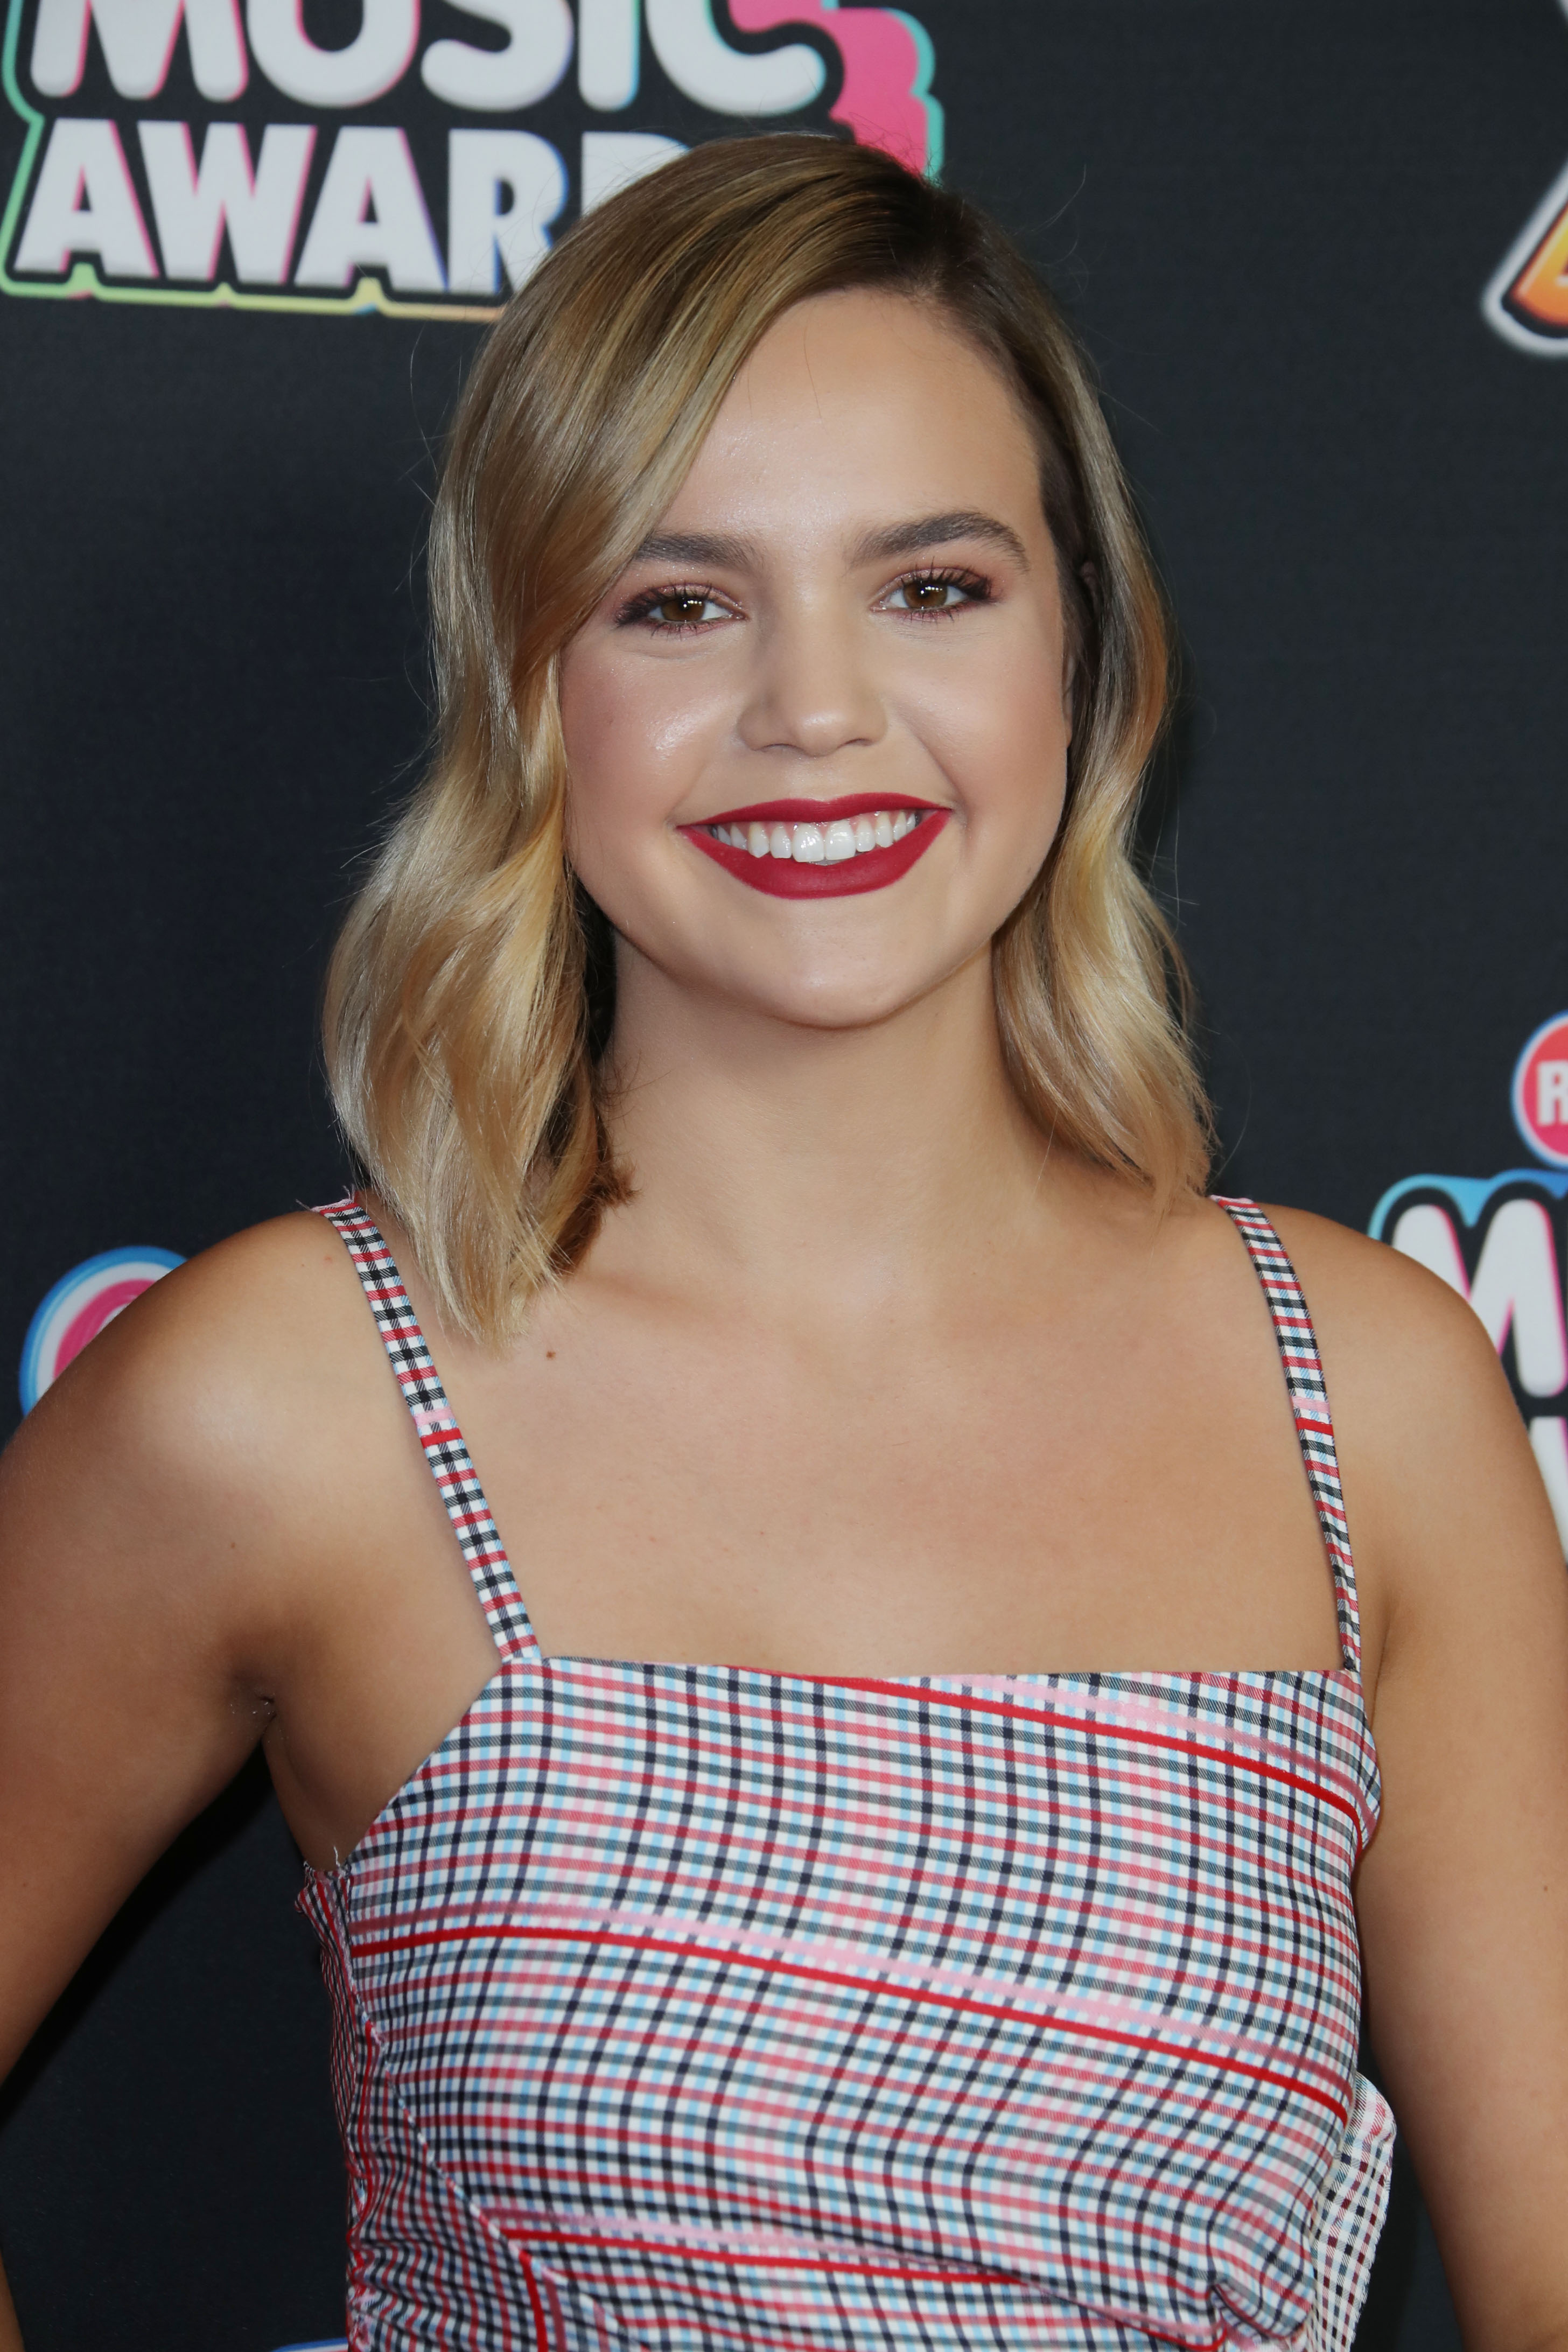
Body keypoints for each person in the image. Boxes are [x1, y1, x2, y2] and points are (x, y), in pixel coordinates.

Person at [2, 132, 1566, 2352]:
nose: (814, 709)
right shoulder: (299, 1400)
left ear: (1080, 656)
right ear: (532, 687)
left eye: (931, 587)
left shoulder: (1368, 1397)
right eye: (676, 600)